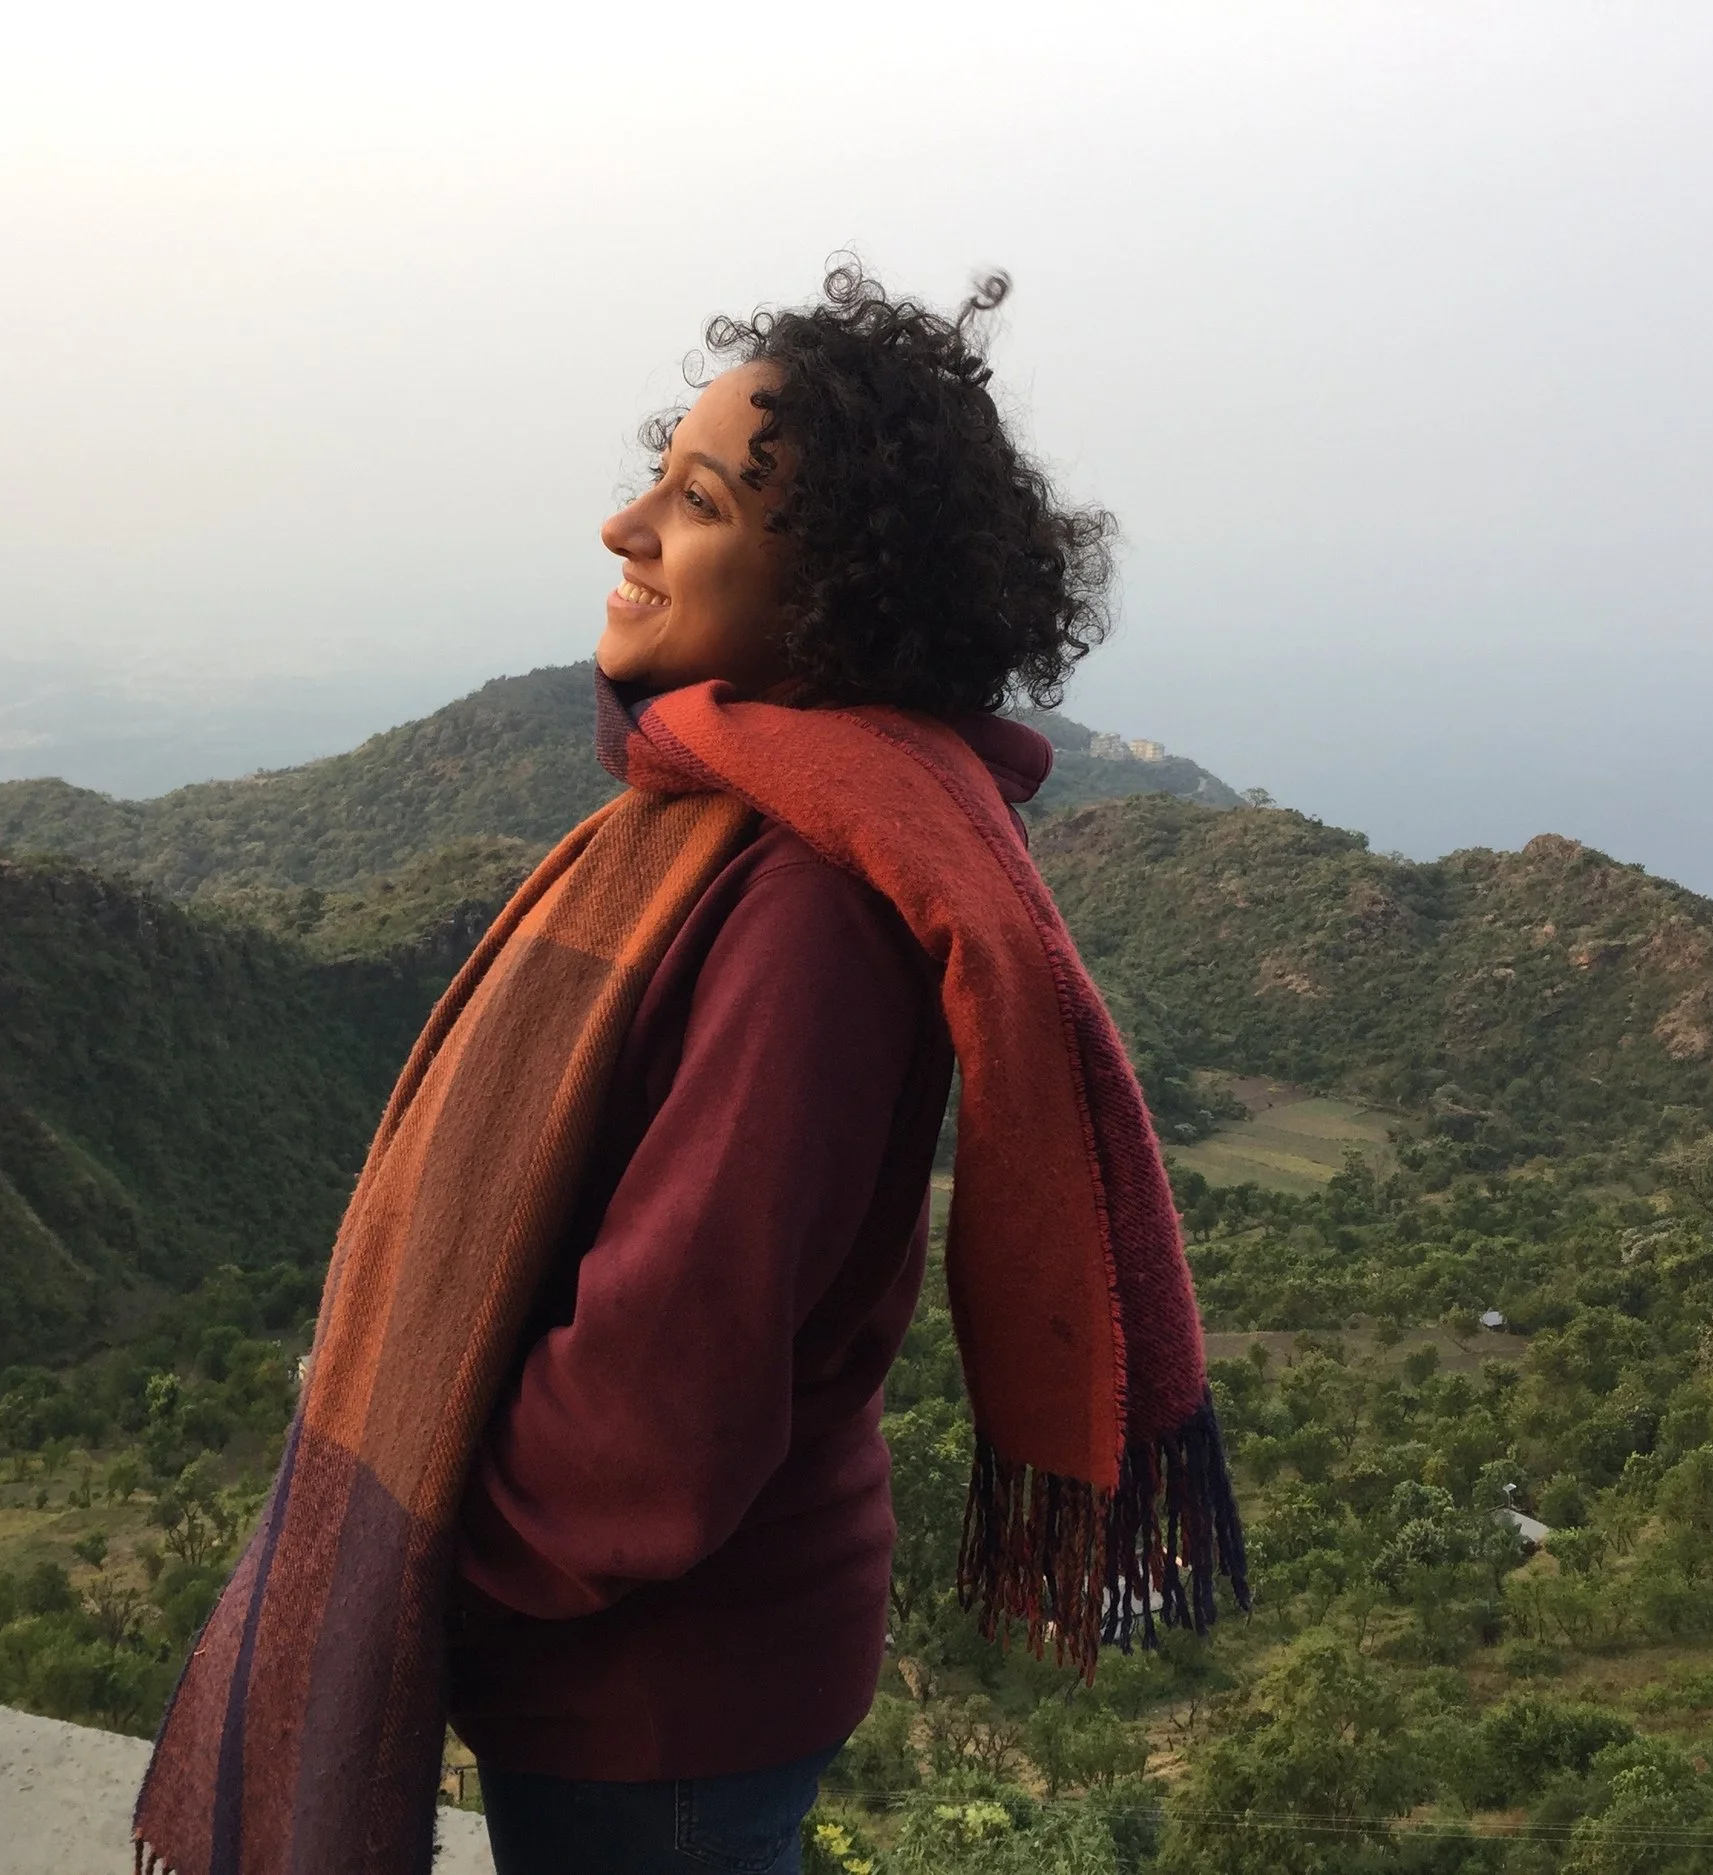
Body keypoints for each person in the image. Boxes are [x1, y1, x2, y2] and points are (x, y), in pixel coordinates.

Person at [133, 263, 1241, 1875]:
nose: (626, 526)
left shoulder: (804, 903)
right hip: (662, 1665)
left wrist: (436, 1541)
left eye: (698, 499)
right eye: (661, 470)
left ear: (830, 590)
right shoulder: (738, 815)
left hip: (660, 1690)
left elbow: (659, 1407)